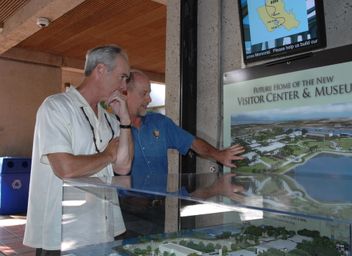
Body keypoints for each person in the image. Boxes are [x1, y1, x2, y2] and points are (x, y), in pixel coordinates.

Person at [23, 45, 134, 255]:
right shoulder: (56, 107)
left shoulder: (111, 119)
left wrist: (125, 121)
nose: (124, 86)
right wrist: (107, 155)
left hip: (103, 230)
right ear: (100, 70)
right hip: (61, 235)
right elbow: (65, 169)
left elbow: (123, 166)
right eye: (122, 77)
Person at [117, 69, 245, 237]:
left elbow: (192, 143)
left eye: (149, 93)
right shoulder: (109, 127)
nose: (149, 99)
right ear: (125, 93)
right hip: (122, 214)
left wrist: (219, 155)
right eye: (144, 93)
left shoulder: (160, 123)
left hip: (157, 212)